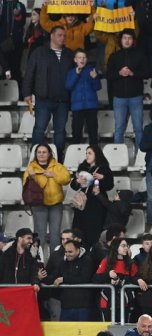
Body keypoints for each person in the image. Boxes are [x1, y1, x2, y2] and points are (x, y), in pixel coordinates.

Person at [22, 26, 73, 158]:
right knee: (39, 130)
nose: (62, 38)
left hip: (62, 100)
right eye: (59, 35)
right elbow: (29, 73)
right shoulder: (39, 52)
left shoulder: (69, 54)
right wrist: (26, 93)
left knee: (60, 132)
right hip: (43, 99)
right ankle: (35, 159)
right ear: (52, 36)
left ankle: (58, 160)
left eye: (64, 36)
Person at [22, 144, 71, 251]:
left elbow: (67, 179)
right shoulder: (31, 168)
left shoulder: (57, 166)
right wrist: (32, 178)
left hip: (56, 204)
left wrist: (53, 175)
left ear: (49, 154)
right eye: (39, 152)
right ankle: (38, 260)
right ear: (35, 154)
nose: (41, 154)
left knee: (55, 235)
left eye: (44, 152)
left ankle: (55, 261)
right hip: (39, 204)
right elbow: (25, 185)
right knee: (39, 234)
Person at [106, 29, 149, 151]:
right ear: (121, 40)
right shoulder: (114, 56)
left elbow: (147, 73)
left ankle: (140, 155)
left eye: (129, 38)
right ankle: (118, 155)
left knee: (138, 129)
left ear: (133, 41)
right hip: (119, 97)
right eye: (124, 38)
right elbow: (108, 76)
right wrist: (119, 73)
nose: (127, 40)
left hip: (136, 97)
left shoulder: (140, 55)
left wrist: (132, 73)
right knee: (119, 129)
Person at [70, 145, 114, 247]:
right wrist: (77, 181)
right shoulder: (82, 167)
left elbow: (110, 185)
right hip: (83, 203)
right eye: (86, 153)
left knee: (94, 231)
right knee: (79, 231)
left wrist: (102, 178)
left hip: (97, 204)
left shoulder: (104, 168)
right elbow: (73, 186)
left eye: (89, 153)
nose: (87, 155)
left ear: (96, 154)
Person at [50, 239, 95, 321]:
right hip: (66, 306)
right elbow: (53, 276)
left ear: (78, 250)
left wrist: (64, 279)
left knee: (83, 333)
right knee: (65, 333)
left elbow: (84, 278)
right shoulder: (63, 262)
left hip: (83, 306)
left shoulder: (87, 260)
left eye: (70, 252)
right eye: (66, 252)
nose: (67, 254)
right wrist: (41, 277)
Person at [65, 48, 100, 145]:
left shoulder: (92, 70)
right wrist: (76, 74)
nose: (82, 59)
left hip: (91, 106)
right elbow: (68, 86)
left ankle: (94, 154)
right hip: (77, 107)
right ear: (75, 60)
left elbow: (98, 87)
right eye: (79, 57)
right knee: (76, 133)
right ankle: (76, 155)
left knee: (93, 132)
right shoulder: (71, 72)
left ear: (87, 59)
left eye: (84, 57)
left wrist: (95, 78)